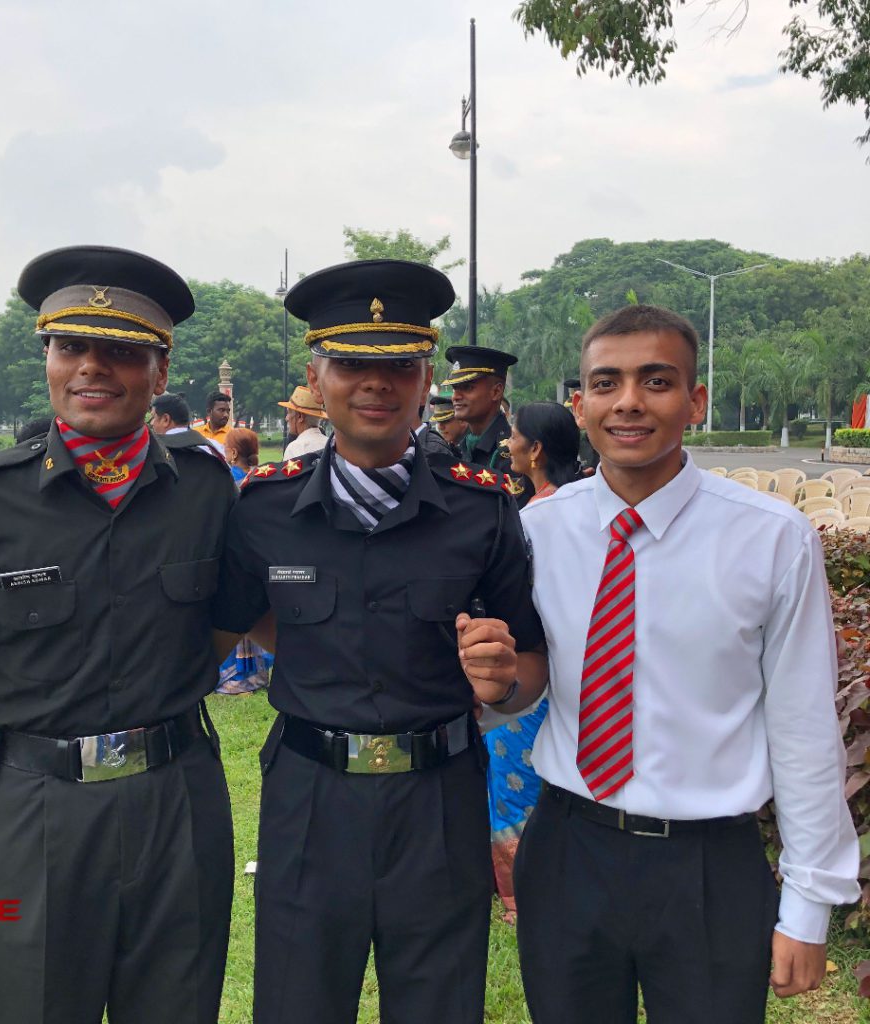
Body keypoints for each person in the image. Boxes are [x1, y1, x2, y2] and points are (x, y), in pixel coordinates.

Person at [0, 245, 237, 1024]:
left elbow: (223, 626)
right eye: (70, 345)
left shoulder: (207, 490)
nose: (91, 368)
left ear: (161, 370)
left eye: (121, 350)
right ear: (46, 355)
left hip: (181, 813)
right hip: (28, 825)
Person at [212, 258, 549, 1024]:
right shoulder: (262, 511)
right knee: (298, 1002)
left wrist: (501, 684)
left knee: (439, 1004)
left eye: (397, 364)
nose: (375, 383)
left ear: (425, 375)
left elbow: (528, 664)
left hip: (438, 796)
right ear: (317, 374)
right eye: (352, 363)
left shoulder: (482, 512)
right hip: (309, 794)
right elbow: (242, 623)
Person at [514, 304, 860, 1024]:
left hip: (709, 865)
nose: (630, 401)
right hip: (569, 848)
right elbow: (517, 683)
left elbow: (802, 727)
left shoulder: (771, 540)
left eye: (657, 380)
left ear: (695, 402)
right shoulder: (535, 533)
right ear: (581, 406)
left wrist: (808, 903)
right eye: (606, 383)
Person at [482, 401, 581, 923]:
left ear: (536, 450)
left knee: (514, 781)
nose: (509, 445)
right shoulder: (584, 508)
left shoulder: (535, 519)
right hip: (579, 679)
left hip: (534, 676)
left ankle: (519, 890)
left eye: (515, 437)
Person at [215, 426, 273, 695]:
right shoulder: (261, 481)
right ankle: (255, 677)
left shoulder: (227, 481)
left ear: (233, 452)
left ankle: (234, 680)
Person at [442, 346, 529, 505]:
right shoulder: (459, 448)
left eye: (468, 387)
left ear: (496, 392)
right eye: (455, 388)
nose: (456, 397)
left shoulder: (511, 454)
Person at [280, 384, 327, 459]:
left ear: (300, 417)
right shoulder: (331, 445)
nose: (287, 418)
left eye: (289, 413)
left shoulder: (294, 448)